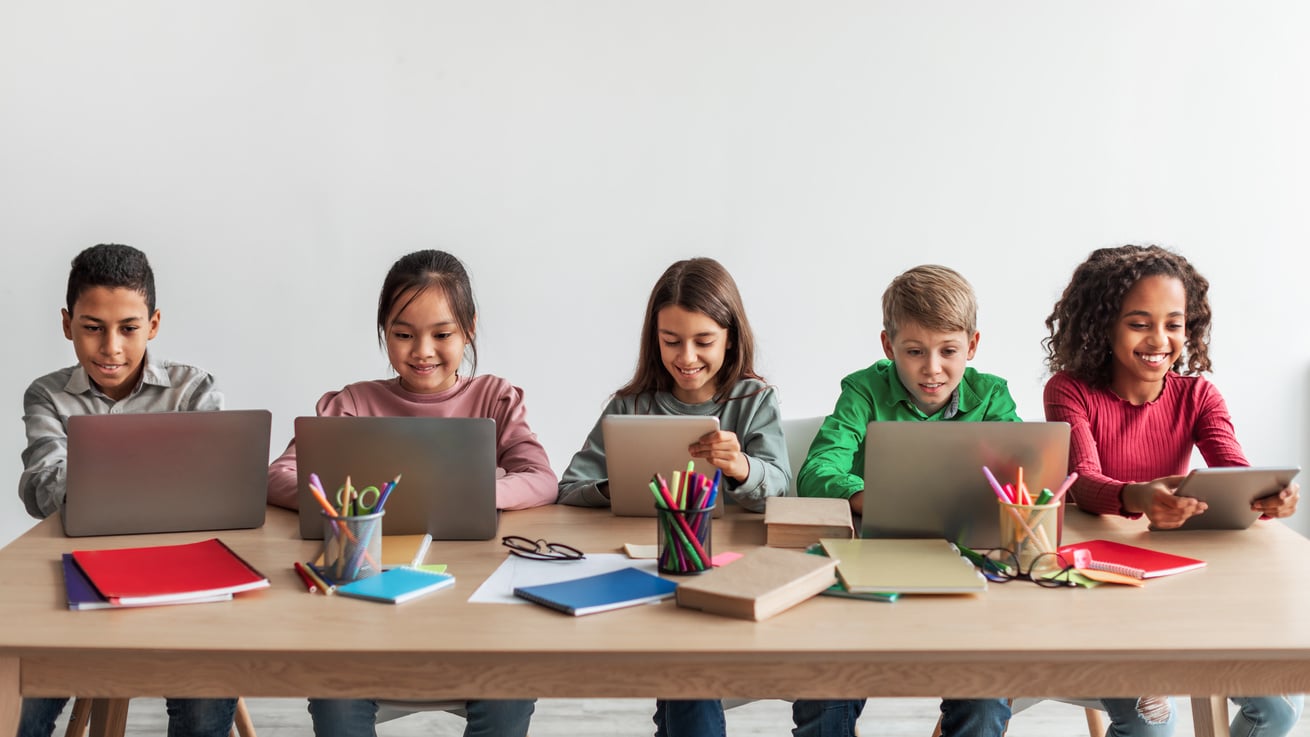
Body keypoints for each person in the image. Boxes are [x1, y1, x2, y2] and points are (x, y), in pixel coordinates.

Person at [267, 249, 555, 737]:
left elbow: (541, 477)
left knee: (510, 686)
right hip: (364, 605)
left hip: (473, 605)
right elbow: (280, 474)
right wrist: (348, 502)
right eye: (403, 334)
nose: (422, 350)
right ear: (384, 332)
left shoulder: (495, 397)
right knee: (336, 695)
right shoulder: (353, 403)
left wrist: (469, 492)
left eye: (442, 335)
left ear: (469, 329)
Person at [1043, 243, 1302, 737]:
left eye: (1174, 323)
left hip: (1187, 591)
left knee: (1281, 709)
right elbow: (1085, 483)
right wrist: (1138, 497)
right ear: (1103, 326)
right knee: (1151, 725)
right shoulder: (1069, 390)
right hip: (1104, 590)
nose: (1159, 339)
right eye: (1139, 323)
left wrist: (1270, 498)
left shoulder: (1199, 395)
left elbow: (1234, 472)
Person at [556, 257, 791, 737]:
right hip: (654, 567)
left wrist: (743, 466)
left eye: (703, 341)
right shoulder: (631, 405)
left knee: (692, 669)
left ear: (730, 336)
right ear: (653, 339)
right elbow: (569, 488)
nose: (687, 357)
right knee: (686, 666)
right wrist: (617, 484)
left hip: (736, 569)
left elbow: (782, 485)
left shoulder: (753, 401)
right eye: (671, 341)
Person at [17, 243, 237, 737]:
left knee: (204, 698)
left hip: (181, 573)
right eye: (92, 327)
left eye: (129, 328)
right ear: (67, 324)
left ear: (153, 325)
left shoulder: (193, 389)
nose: (110, 346)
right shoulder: (47, 395)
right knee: (21, 694)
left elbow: (217, 488)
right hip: (78, 570)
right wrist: (165, 469)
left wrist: (97, 471)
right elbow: (48, 491)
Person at [796, 264, 1017, 737]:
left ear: (972, 346)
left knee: (984, 697)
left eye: (948, 351)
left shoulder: (992, 397)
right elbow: (817, 472)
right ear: (888, 346)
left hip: (969, 570)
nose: (932, 368)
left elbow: (1021, 477)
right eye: (914, 351)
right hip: (874, 567)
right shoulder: (863, 391)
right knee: (824, 690)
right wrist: (866, 494)